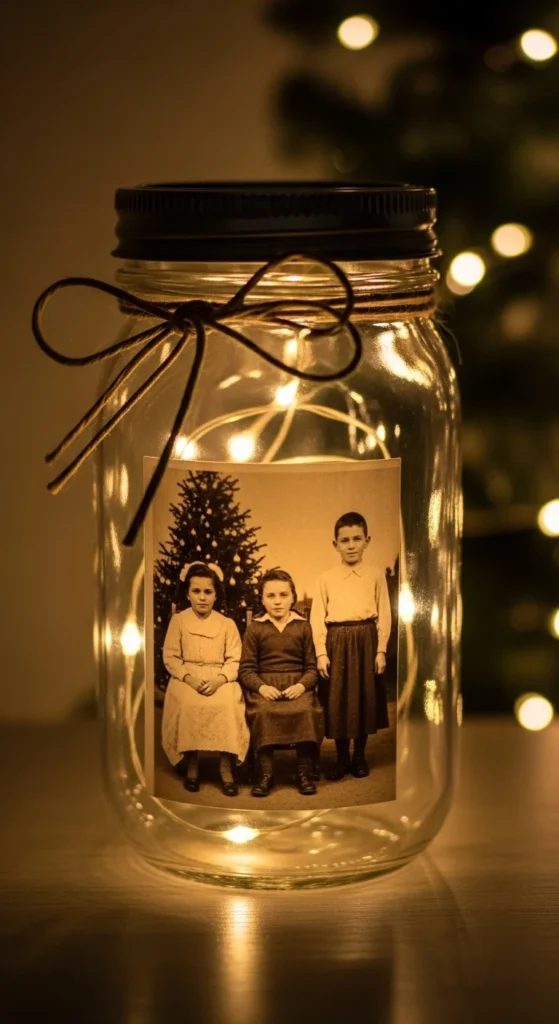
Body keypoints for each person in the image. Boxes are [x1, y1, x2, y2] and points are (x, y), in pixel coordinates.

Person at [310, 512, 391, 781]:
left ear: (367, 541)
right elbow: (317, 618)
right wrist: (321, 653)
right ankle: (342, 758)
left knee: (363, 698)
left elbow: (385, 614)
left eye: (357, 538)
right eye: (344, 540)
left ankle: (359, 757)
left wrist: (380, 650)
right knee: (339, 701)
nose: (351, 545)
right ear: (335, 544)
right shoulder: (326, 578)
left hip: (366, 639)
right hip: (336, 641)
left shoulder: (375, 574)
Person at [161, 562, 249, 797]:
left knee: (227, 702)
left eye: (208, 592)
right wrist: (188, 678)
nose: (202, 598)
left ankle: (225, 764)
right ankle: (192, 763)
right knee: (188, 703)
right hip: (187, 677)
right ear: (187, 594)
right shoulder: (179, 621)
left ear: (216, 594)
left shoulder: (226, 624)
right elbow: (170, 657)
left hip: (218, 677)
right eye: (196, 591)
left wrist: (220, 680)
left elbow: (234, 659)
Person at [239, 568, 323, 797]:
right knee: (264, 712)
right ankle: (266, 773)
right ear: (262, 599)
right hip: (265, 687)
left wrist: (301, 686)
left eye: (283, 595)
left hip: (297, 685)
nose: (277, 602)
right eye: (271, 596)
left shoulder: (302, 626)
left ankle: (304, 772)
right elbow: (246, 669)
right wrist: (262, 687)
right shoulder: (255, 628)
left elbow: (311, 669)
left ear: (293, 597)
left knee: (305, 709)